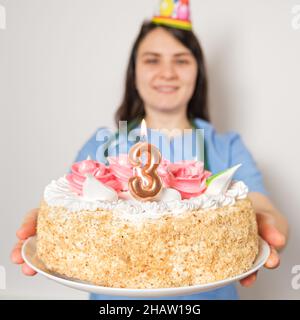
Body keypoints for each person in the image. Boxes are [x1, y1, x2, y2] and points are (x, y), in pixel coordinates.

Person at [11, 1, 288, 300]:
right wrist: (50, 222)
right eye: (152, 60)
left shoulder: (226, 146)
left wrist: (263, 222)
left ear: (198, 71)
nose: (167, 72)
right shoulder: (102, 145)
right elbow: (67, 202)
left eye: (181, 60)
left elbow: (262, 207)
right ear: (134, 72)